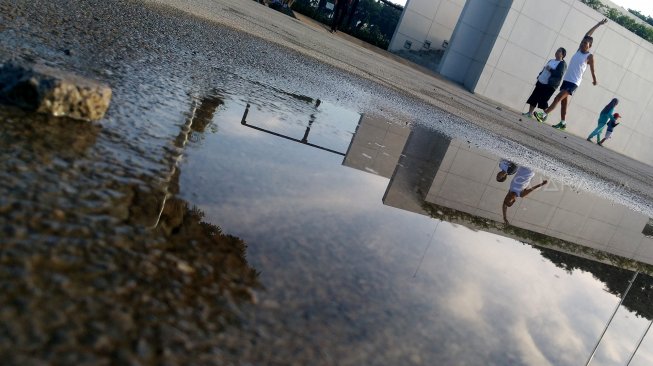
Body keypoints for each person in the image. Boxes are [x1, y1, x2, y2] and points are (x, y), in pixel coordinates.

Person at [534, 19, 609, 130]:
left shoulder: (589, 56)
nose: (583, 44)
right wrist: (598, 24)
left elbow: (593, 70)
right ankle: (563, 123)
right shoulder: (579, 51)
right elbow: (587, 34)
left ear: (590, 46)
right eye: (582, 43)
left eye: (585, 44)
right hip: (566, 80)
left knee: (558, 98)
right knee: (563, 103)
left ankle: (544, 115)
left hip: (574, 82)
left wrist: (595, 79)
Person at [523, 47, 567, 120]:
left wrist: (550, 70)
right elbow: (544, 69)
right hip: (541, 81)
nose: (556, 52)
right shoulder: (551, 60)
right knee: (534, 97)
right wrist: (540, 75)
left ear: (563, 54)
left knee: (543, 101)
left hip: (549, 85)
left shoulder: (562, 63)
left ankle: (544, 115)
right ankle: (529, 113)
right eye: (557, 50)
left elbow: (559, 74)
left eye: (559, 51)